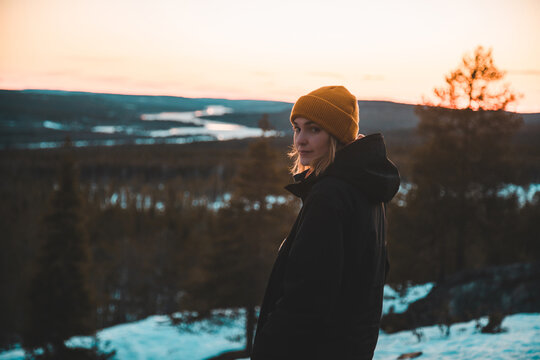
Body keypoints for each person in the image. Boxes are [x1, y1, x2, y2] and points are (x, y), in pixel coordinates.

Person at [251, 86, 400, 360]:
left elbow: (306, 299)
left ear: (338, 136)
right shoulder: (366, 189)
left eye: (314, 129)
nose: (300, 141)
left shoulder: (330, 196)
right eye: (297, 128)